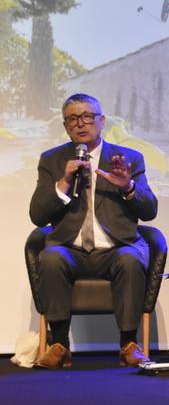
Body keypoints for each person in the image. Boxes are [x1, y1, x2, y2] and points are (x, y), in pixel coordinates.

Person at [30, 93, 158, 369]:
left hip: (116, 247)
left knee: (130, 258)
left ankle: (128, 344)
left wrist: (128, 188)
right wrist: (64, 182)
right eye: (73, 119)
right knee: (50, 258)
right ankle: (60, 345)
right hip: (70, 249)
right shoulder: (52, 160)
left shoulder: (129, 158)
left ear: (102, 121)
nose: (80, 123)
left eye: (87, 116)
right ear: (65, 126)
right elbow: (37, 215)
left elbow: (149, 211)